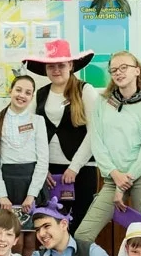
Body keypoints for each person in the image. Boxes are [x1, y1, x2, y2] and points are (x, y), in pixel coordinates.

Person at [76, 51, 141, 242]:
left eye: (124, 67)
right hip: (112, 177)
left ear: (137, 70)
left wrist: (126, 180)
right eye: (114, 70)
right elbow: (96, 141)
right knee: (82, 236)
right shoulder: (102, 103)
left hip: (140, 177)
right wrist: (115, 175)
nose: (118, 72)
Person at [24, 39, 100, 234]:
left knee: (79, 225)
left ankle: (77, 255)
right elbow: (30, 134)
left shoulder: (85, 91)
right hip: (50, 173)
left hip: (82, 169)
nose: (56, 70)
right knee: (52, 226)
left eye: (61, 65)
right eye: (51, 66)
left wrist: (74, 167)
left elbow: (95, 132)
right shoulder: (39, 94)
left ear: (71, 65)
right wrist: (41, 169)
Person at [0, 75, 49, 255]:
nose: (22, 95)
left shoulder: (38, 121)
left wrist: (32, 194)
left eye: (28, 92)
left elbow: (43, 160)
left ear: (32, 96)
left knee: (31, 242)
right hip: (8, 185)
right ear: (10, 90)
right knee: (14, 241)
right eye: (18, 90)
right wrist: (2, 195)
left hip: (32, 183)